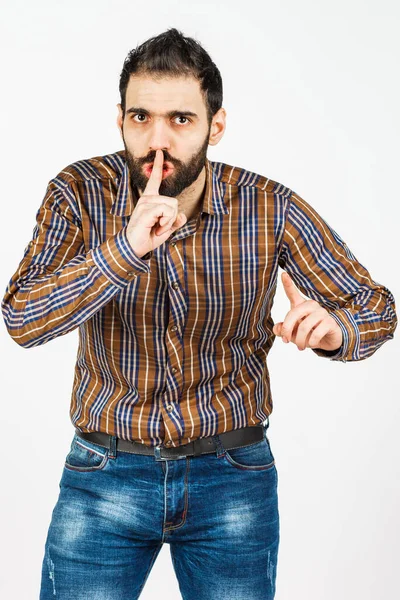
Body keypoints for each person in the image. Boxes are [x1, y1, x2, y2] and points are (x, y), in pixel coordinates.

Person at [2, 27, 397, 600]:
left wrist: (339, 331)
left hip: (232, 475)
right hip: (103, 472)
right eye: (140, 118)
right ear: (119, 119)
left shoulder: (268, 207)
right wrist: (125, 251)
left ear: (216, 125)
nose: (156, 140)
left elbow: (377, 308)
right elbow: (22, 317)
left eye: (180, 120)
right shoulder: (78, 192)